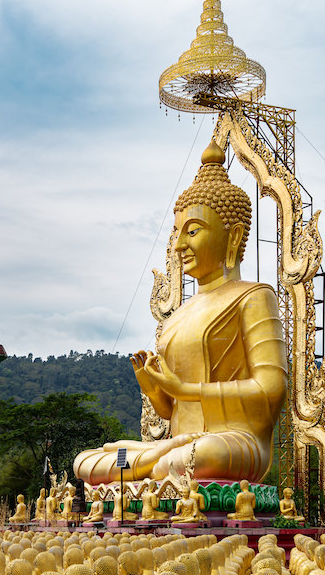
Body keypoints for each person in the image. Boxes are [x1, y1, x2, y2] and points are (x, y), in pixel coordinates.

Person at [74, 141, 288, 485]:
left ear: (232, 237)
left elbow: (271, 389)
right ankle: (154, 461)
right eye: (177, 233)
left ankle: (153, 464)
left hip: (231, 444)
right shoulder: (177, 316)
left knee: (198, 456)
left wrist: (187, 389)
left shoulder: (254, 297)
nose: (178, 245)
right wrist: (157, 389)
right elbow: (172, 411)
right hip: (178, 444)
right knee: (86, 462)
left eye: (192, 231)